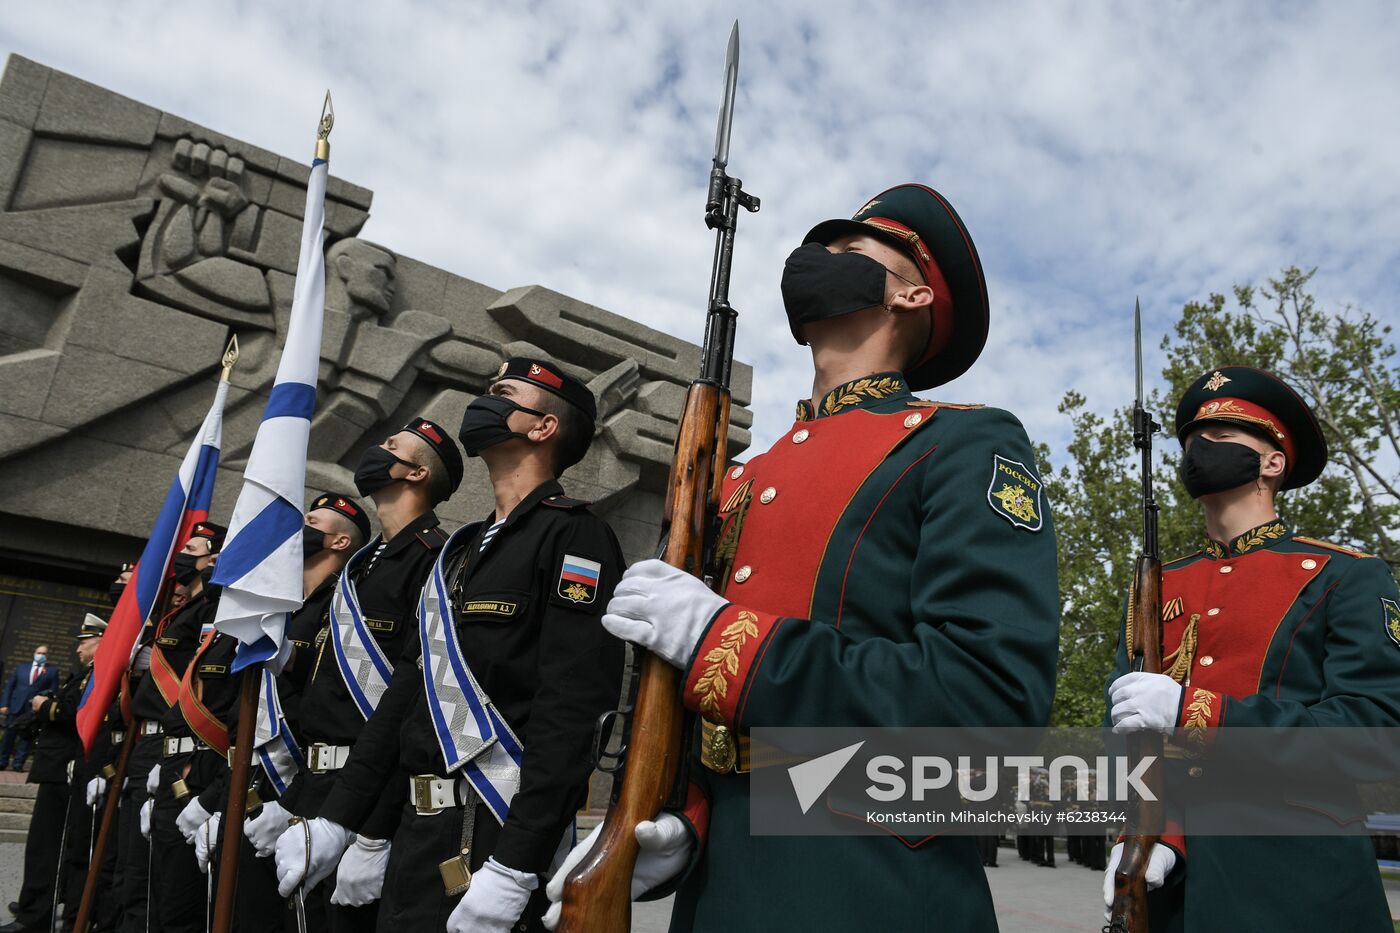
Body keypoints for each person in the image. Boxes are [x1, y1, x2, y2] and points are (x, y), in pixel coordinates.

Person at [543, 184, 1061, 930]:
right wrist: (685, 812)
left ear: (913, 295)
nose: (818, 263)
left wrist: (727, 643)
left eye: (850, 254)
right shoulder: (745, 476)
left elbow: (992, 700)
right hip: (722, 883)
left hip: (870, 883)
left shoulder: (962, 444)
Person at [275, 358, 627, 933]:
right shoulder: (461, 555)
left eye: (503, 393)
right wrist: (341, 821)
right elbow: (407, 699)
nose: (485, 399)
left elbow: (571, 711)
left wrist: (517, 864)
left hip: (485, 829)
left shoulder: (575, 535)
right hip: (417, 832)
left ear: (542, 427)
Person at [1103, 366, 1400, 931]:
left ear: (1272, 462)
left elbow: (1373, 735)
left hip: (1296, 879)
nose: (1197, 451)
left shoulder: (1345, 576)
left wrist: (1200, 714)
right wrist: (1147, 835)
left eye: (1219, 440)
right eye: (1191, 442)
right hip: (1174, 884)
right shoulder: (1160, 585)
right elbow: (1122, 726)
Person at [270, 420, 460, 932]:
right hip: (316, 785)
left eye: (391, 448)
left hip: (370, 796)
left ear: (418, 472)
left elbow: (413, 706)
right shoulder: (359, 567)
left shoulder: (435, 560)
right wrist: (286, 799)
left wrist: (373, 832)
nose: (377, 452)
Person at [184, 493, 370, 930]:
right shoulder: (285, 607)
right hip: (259, 787)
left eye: (312, 519)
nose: (300, 524)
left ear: (340, 541)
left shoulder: (342, 606)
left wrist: (290, 802)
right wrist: (218, 802)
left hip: (305, 789)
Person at [117, 521, 225, 933]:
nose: (183, 555)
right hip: (161, 745)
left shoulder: (210, 611)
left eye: (192, 548)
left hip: (188, 748)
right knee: (141, 874)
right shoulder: (183, 614)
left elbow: (202, 689)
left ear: (212, 559)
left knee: (174, 894)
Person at [0, 615, 105, 933]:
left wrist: (44, 705)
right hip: (56, 766)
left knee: (49, 847)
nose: (78, 649)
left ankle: (35, 916)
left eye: (84, 643)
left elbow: (76, 711)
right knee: (43, 846)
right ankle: (35, 902)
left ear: (101, 643)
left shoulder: (97, 675)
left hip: (66, 767)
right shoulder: (83, 674)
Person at [0, 644, 59, 770]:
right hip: (16, 707)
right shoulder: (21, 668)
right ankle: (2, 761)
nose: (41, 655)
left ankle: (18, 764)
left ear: (47, 656)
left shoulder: (52, 671)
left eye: (43, 654)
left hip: (33, 710)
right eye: (39, 653)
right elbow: (9, 687)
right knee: (8, 736)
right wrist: (4, 704)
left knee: (26, 737)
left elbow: (53, 691)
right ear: (34, 653)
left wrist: (45, 707)